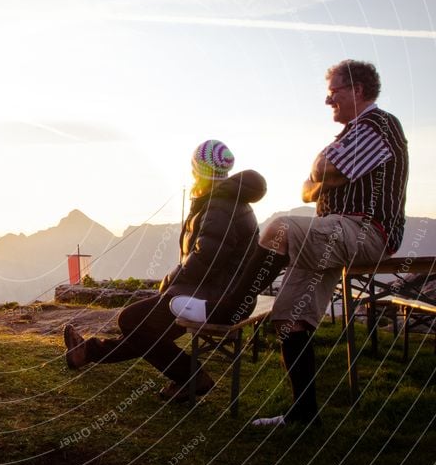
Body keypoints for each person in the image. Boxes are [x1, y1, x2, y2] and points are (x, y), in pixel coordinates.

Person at [171, 60, 409, 426]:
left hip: (365, 231)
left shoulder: (379, 125)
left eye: (334, 92)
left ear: (358, 90)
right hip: (334, 232)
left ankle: (229, 307)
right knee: (290, 318)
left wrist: (323, 178)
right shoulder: (355, 132)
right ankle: (303, 414)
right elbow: (310, 184)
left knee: (279, 228)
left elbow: (325, 170)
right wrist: (321, 180)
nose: (329, 100)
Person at [63, 140, 267, 400]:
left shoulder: (221, 205)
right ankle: (87, 352)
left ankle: (193, 378)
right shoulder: (226, 200)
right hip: (214, 292)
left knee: (131, 320)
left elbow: (206, 259)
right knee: (144, 329)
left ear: (199, 171)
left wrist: (170, 282)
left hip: (214, 299)